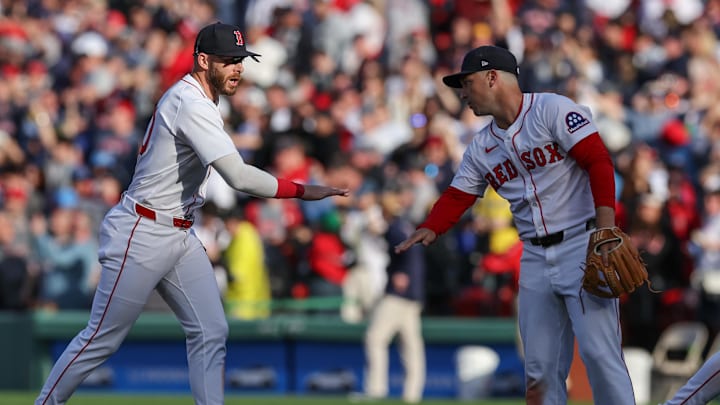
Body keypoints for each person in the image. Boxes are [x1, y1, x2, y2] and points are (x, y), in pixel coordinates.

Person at [35, 22, 348, 405]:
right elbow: (237, 176)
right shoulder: (190, 102)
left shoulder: (202, 99)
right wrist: (302, 190)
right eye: (229, 60)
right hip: (142, 230)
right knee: (103, 338)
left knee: (211, 330)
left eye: (241, 60)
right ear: (203, 61)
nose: (238, 68)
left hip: (179, 233)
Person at [394, 45, 636, 404]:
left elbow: (598, 162)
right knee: (539, 370)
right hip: (534, 257)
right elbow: (460, 195)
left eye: (468, 82)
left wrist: (604, 229)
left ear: (493, 77)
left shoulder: (552, 109)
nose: (462, 93)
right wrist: (432, 225)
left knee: (600, 356)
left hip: (581, 244)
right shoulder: (482, 146)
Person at [364, 181, 426, 403]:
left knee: (375, 338)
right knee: (411, 346)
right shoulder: (404, 224)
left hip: (400, 293)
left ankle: (376, 389)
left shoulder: (396, 227)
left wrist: (404, 275)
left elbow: (405, 249)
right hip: (413, 292)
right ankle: (412, 395)